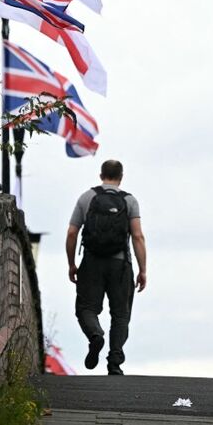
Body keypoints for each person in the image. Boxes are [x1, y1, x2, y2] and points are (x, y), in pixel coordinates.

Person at [66, 159, 147, 375]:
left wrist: (72, 263)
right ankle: (114, 362)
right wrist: (143, 270)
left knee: (86, 308)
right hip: (120, 264)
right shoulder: (129, 201)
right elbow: (137, 236)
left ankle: (95, 334)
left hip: (91, 262)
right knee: (120, 314)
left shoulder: (87, 197)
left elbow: (72, 233)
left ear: (101, 174)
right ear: (121, 176)